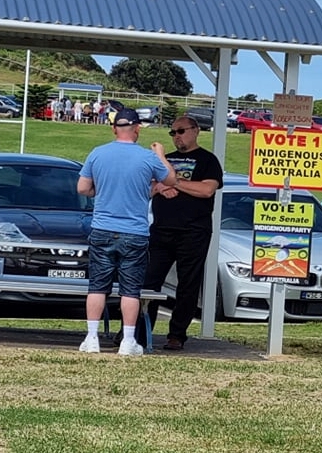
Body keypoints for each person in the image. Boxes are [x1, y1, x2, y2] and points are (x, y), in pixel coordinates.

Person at [77, 108, 176, 356]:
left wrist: (98, 192)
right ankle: (128, 340)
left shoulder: (97, 154)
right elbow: (171, 179)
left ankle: (91, 338)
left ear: (114, 129)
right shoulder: (147, 158)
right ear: (137, 129)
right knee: (131, 289)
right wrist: (161, 155)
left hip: (102, 228)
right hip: (134, 232)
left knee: (97, 286)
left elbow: (82, 188)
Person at [142, 115, 223, 351]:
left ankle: (177, 334)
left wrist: (174, 182)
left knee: (187, 285)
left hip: (193, 232)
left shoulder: (207, 160)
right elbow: (147, 189)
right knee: (149, 282)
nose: (177, 136)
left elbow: (207, 190)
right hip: (161, 230)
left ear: (195, 131)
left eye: (181, 131)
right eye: (173, 133)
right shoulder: (163, 160)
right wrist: (159, 187)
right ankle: (139, 330)